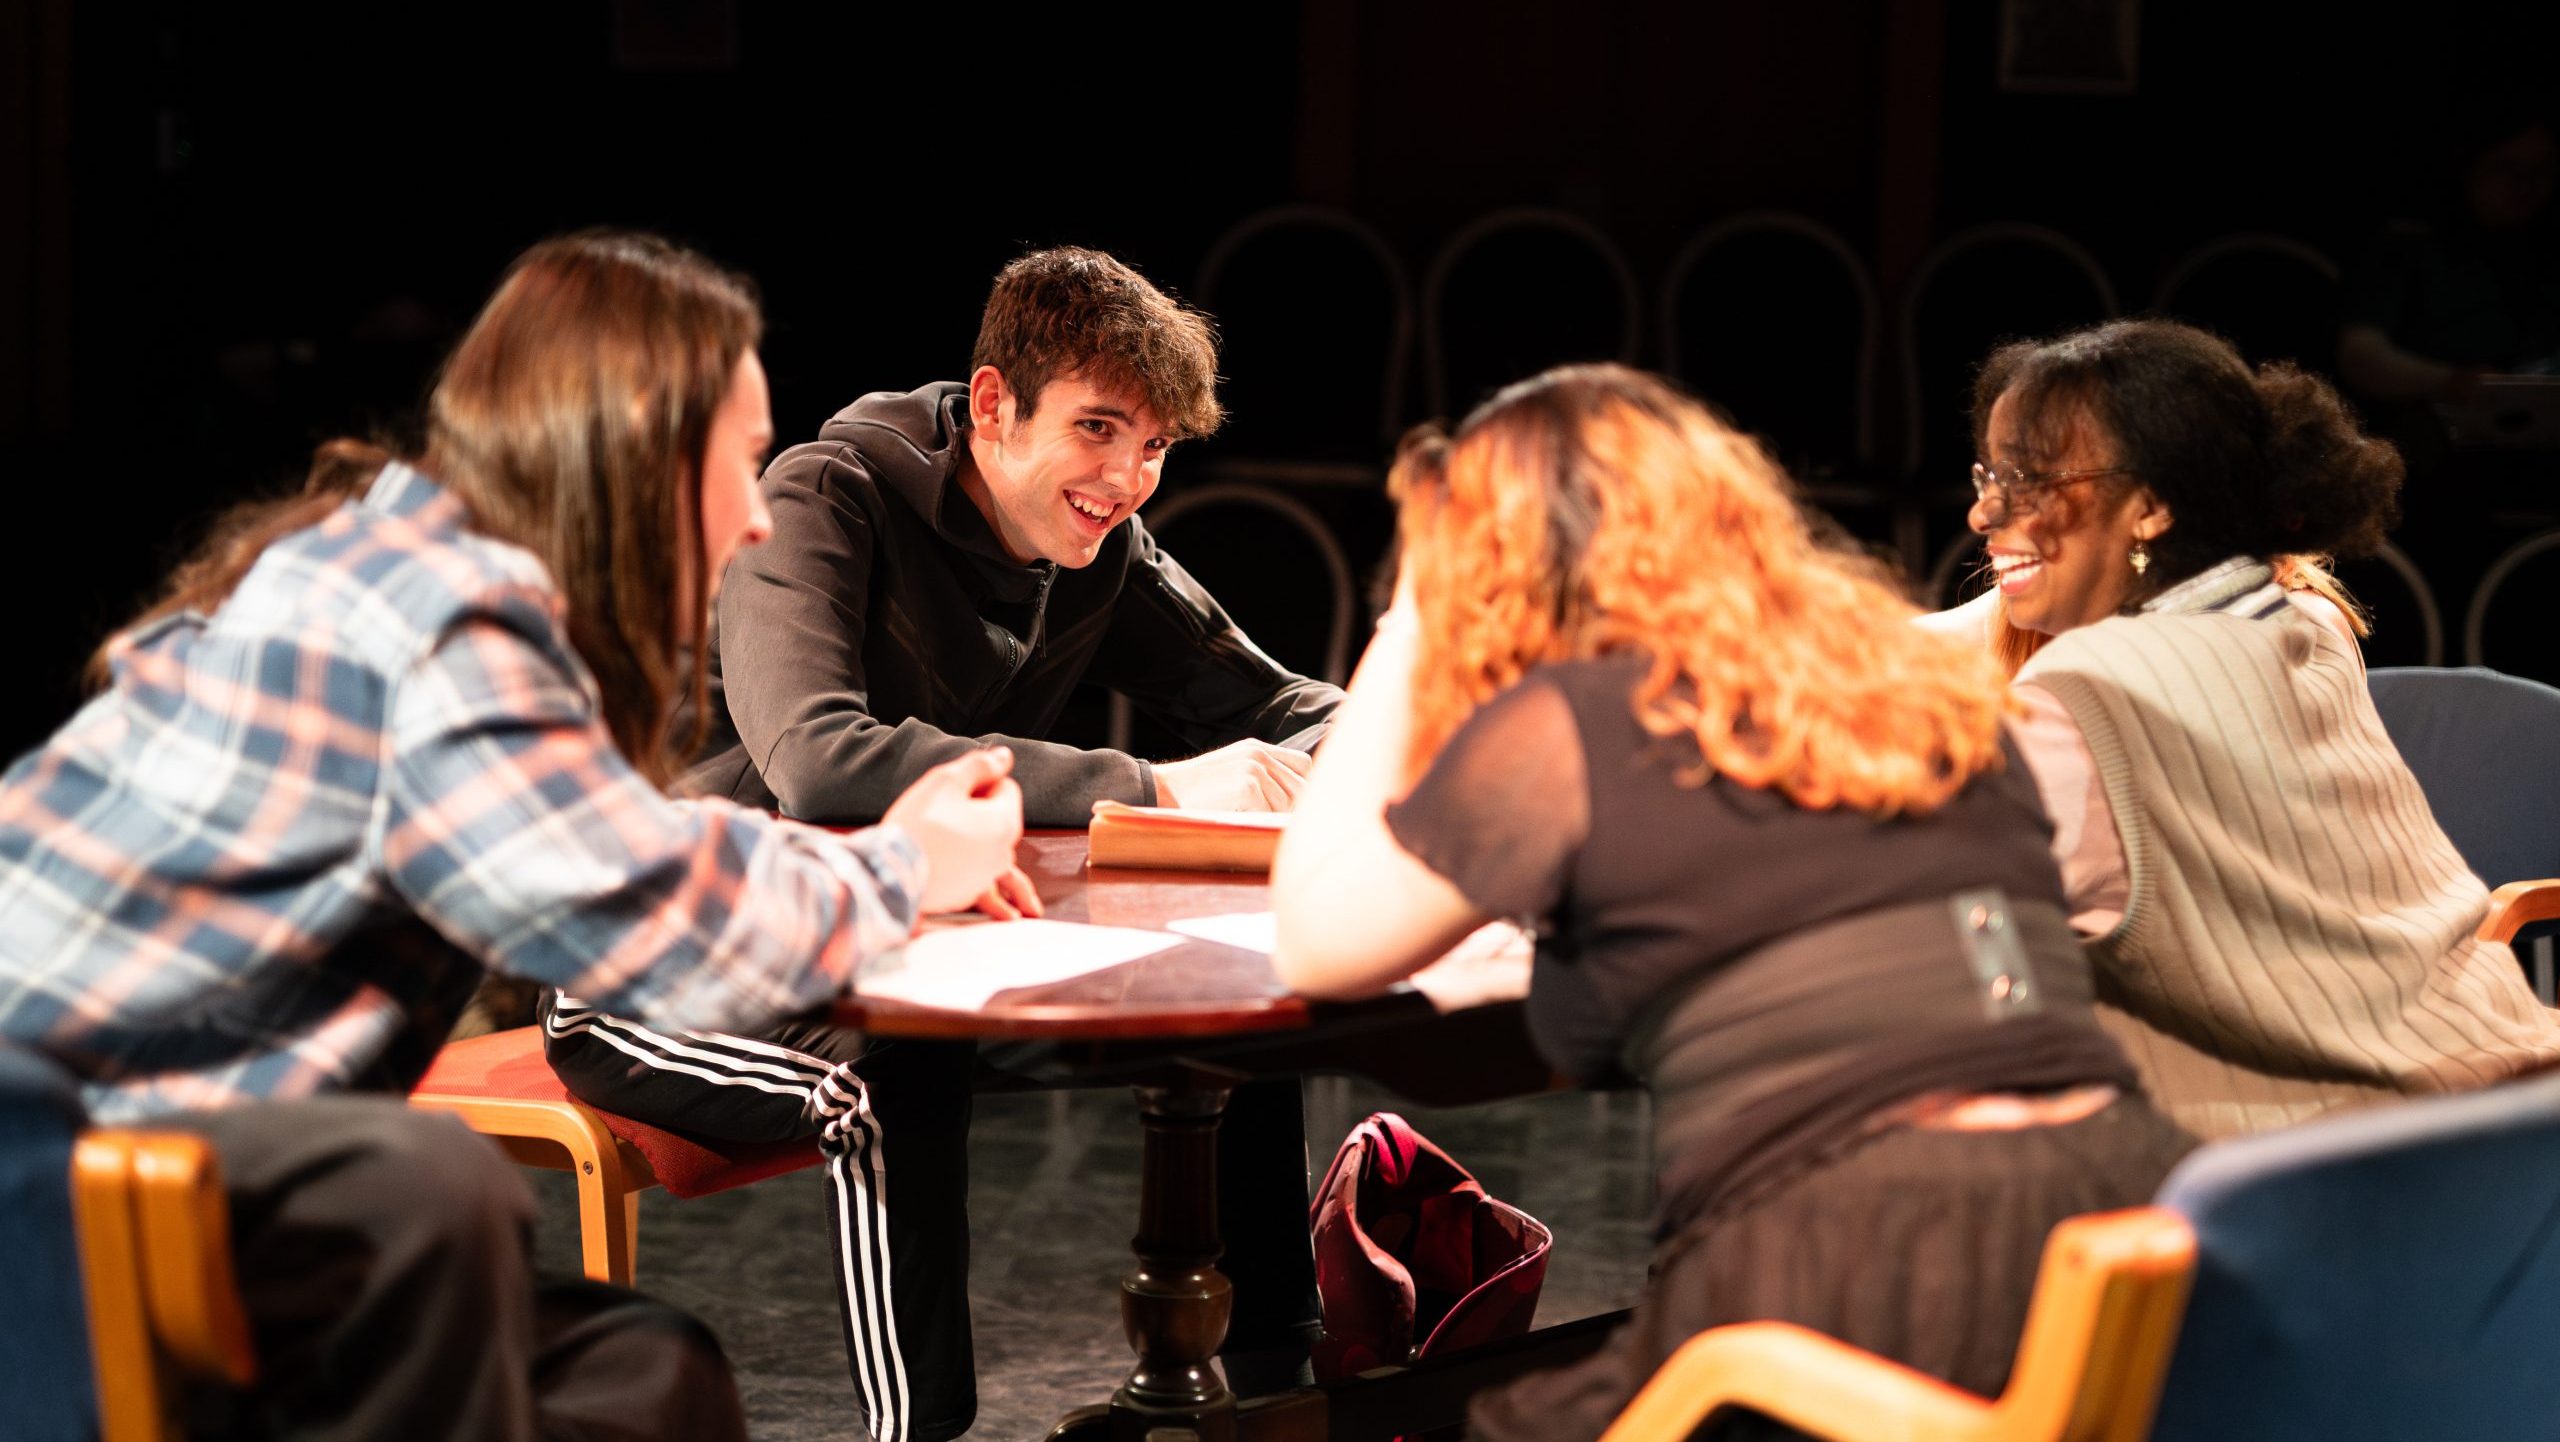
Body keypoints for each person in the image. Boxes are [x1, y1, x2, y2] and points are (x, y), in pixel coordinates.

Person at [0, 231, 1026, 1442]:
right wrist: (907, 867)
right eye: (740, 461)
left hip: (147, 1165)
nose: (756, 520)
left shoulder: (375, 560)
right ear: (637, 438)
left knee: (647, 1371)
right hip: (72, 1192)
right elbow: (662, 927)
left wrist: (876, 852)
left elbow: (627, 836)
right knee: (432, 1195)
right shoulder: (446, 624)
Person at [1269, 364, 2192, 1440]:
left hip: (1867, 1261)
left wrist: (1409, 621)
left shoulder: (1574, 723)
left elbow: (1316, 943)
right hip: (2133, 1207)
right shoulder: (1920, 688)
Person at [543, 246, 1335, 1442]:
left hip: (895, 952)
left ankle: (1282, 1384)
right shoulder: (819, 500)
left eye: (1157, 446)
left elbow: (1282, 704)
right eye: (1099, 428)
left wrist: (1390, 747)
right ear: (991, 406)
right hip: (648, 964)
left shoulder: (1097, 548)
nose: (1127, 477)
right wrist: (1155, 786)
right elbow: (820, 757)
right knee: (882, 1067)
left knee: (1237, 1002)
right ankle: (922, 1432)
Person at [1946, 317, 2560, 1139]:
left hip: (2300, 1172)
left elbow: (1966, 948)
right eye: (1991, 475)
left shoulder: (2080, 696)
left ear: (2152, 506)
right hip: (2504, 1105)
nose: (1985, 515)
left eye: (2028, 483)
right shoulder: (2299, 619)